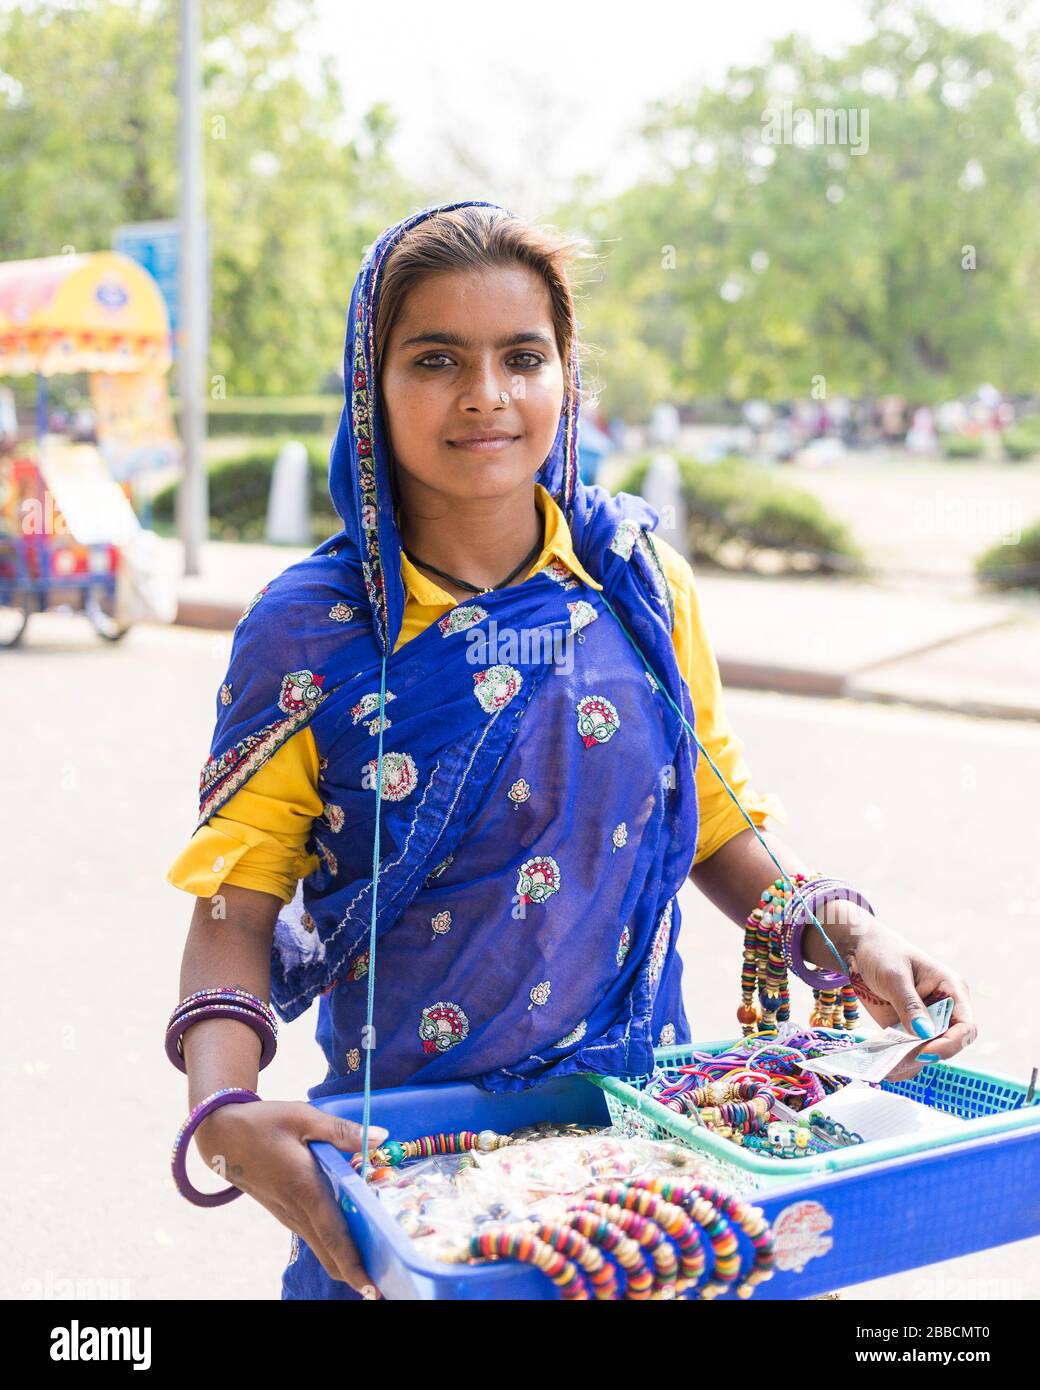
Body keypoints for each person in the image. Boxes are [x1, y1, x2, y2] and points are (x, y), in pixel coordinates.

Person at [166, 201, 977, 1301]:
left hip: (648, 1162)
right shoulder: (313, 632)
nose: (485, 395)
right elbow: (234, 905)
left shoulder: (637, 582)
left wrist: (848, 931)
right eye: (435, 359)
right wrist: (224, 1112)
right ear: (370, 387)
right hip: (416, 1180)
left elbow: (714, 817)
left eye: (521, 356)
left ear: (565, 375)